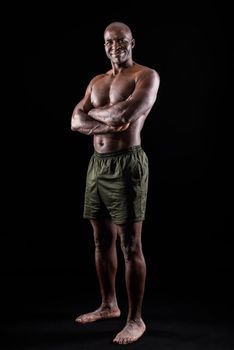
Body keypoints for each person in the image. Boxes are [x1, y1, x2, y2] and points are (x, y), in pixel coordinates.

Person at [71, 21, 160, 345]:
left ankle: (135, 319)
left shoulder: (145, 76)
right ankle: (109, 305)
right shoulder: (96, 81)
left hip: (127, 164)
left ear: (132, 41)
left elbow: (126, 116)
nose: (115, 47)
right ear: (104, 45)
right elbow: (74, 120)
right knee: (100, 240)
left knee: (129, 245)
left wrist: (97, 118)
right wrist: (107, 120)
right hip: (97, 165)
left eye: (121, 40)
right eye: (109, 42)